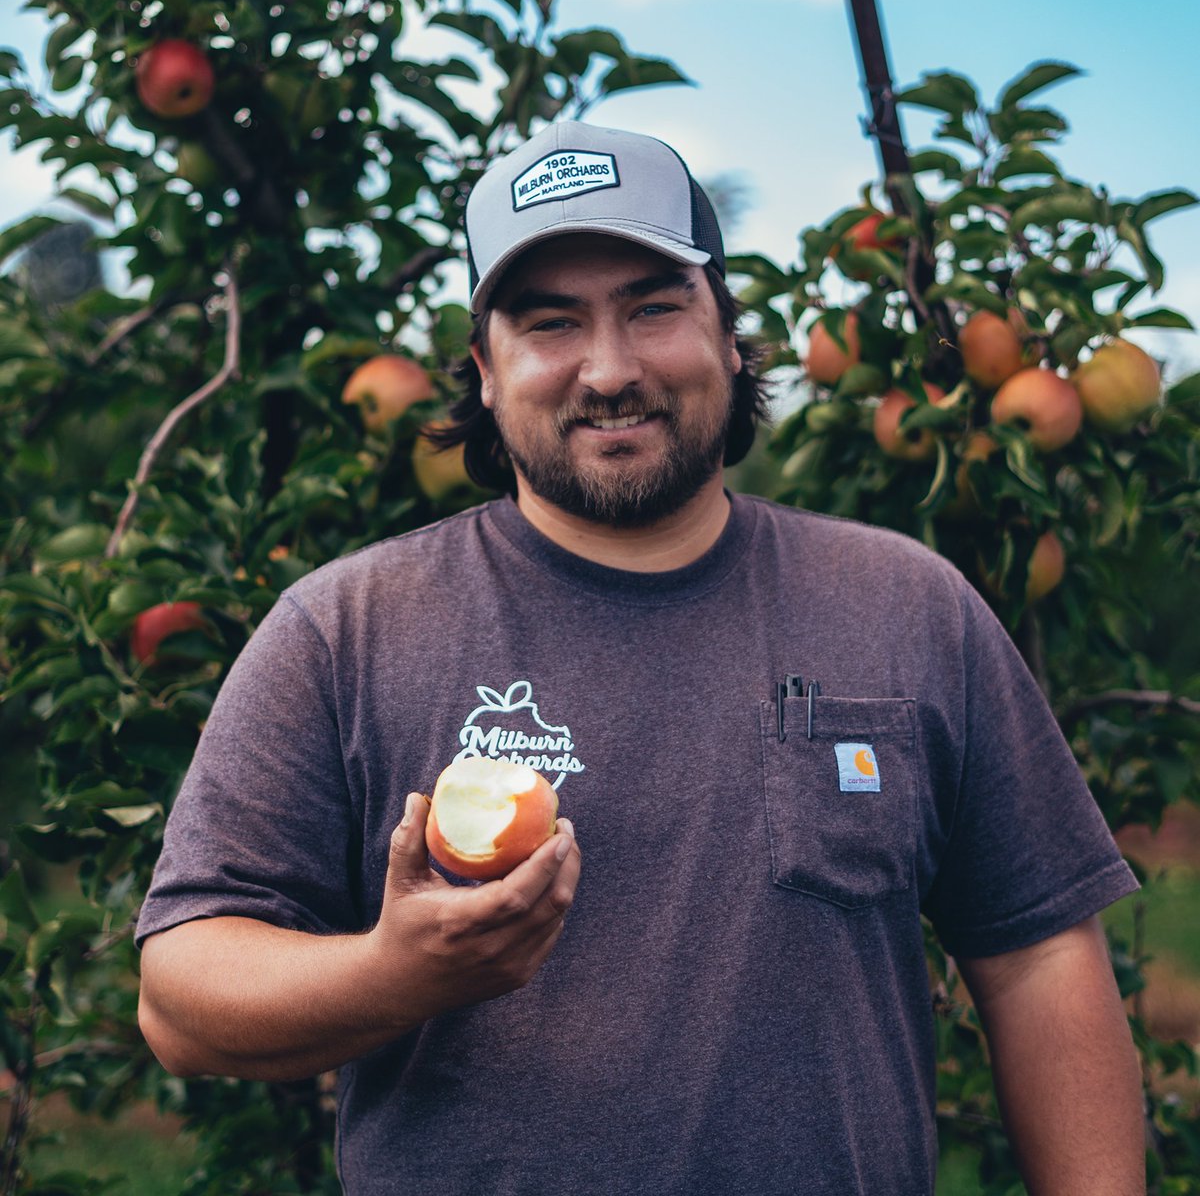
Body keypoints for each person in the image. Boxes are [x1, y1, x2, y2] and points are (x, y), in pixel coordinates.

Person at [137, 122, 1145, 1195]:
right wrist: (397, 974)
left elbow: (1040, 958)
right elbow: (182, 997)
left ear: (729, 338)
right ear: (486, 372)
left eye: (655, 308)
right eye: (551, 323)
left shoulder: (906, 605)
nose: (610, 370)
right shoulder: (346, 628)